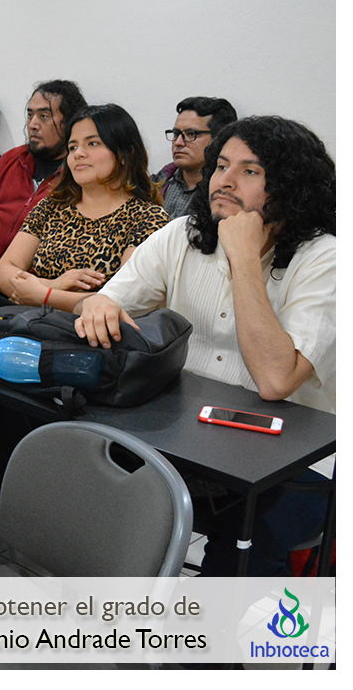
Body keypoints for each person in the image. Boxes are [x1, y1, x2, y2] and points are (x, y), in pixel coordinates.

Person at [74, 115, 335, 575]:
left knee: (240, 556)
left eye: (250, 171)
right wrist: (97, 304)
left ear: (291, 188)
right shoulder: (183, 234)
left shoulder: (327, 260)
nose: (225, 181)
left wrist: (244, 258)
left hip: (290, 458)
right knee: (95, 489)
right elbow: (109, 300)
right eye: (221, 166)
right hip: (186, 433)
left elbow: (276, 380)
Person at [0, 104, 169, 311]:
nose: (79, 154)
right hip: (33, 321)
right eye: (73, 147)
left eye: (92, 143)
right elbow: (2, 273)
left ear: (124, 154)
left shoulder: (147, 217)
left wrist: (44, 295)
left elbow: (126, 299)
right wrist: (54, 285)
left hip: (94, 328)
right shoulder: (52, 206)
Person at [0, 79, 87, 285]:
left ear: (69, 123)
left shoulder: (78, 174)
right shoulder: (12, 159)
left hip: (34, 285)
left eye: (44, 116)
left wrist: (12, 272)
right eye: (30, 115)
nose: (32, 124)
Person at [154, 96, 238, 218]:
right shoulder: (159, 183)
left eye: (191, 134)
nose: (178, 142)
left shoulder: (226, 193)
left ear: (218, 139)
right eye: (176, 134)